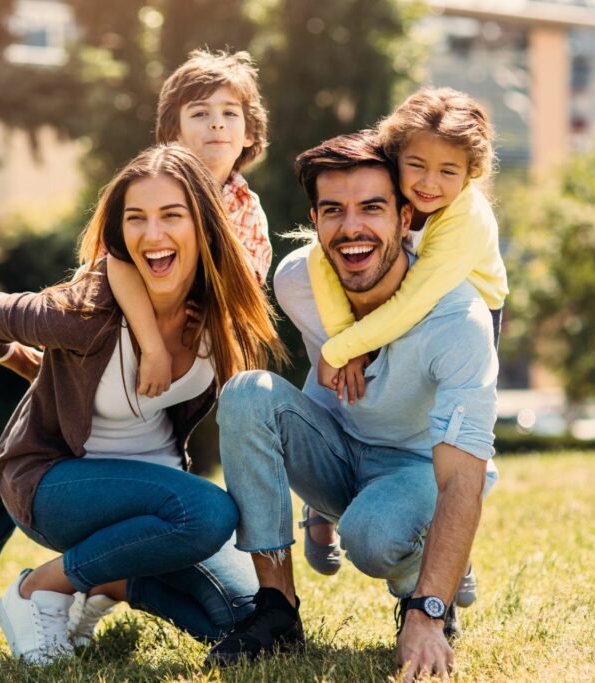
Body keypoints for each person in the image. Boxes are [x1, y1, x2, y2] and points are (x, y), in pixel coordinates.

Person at [0, 49, 274, 627]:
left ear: (249, 132)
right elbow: (117, 261)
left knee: (239, 618)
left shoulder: (244, 210)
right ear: (170, 133)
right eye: (200, 113)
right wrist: (150, 341)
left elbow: (243, 291)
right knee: (38, 421)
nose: (217, 124)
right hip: (79, 426)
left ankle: (101, 586)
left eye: (230, 114)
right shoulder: (141, 202)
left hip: (152, 451)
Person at [205, 132, 499, 682]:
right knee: (247, 392)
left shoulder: (459, 319)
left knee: (373, 535)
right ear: (314, 219)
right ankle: (276, 612)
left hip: (418, 470)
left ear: (406, 216)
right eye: (334, 211)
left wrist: (427, 612)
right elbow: (319, 385)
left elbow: (463, 478)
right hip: (340, 453)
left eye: (372, 208)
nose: (352, 228)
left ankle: (428, 583)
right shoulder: (297, 282)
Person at [299, 87, 508, 585]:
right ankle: (320, 509)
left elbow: (417, 300)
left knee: (441, 433)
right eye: (416, 165)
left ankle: (443, 544)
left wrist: (344, 347)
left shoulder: (466, 220)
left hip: (457, 315)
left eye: (448, 172)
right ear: (396, 159)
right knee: (327, 396)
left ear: (471, 174)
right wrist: (344, 338)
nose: (428, 184)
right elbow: (316, 256)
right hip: (394, 306)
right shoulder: (389, 191)